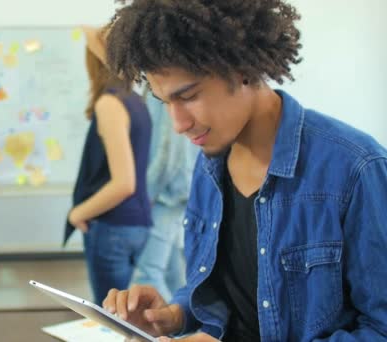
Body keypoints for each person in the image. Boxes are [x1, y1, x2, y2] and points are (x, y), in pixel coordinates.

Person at [101, 1, 387, 341]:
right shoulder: (209, 165)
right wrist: (177, 315)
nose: (178, 124)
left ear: (242, 68)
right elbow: (234, 298)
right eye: (166, 103)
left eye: (189, 96)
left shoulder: (356, 168)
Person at [64, 27, 153, 305]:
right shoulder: (136, 101)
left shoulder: (110, 103)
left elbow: (124, 182)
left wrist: (77, 213)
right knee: (128, 316)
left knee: (112, 320)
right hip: (137, 224)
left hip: (112, 227)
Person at [131, 89, 199, 301]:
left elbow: (167, 154)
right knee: (172, 273)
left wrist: (146, 195)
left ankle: (169, 331)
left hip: (165, 195)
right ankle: (187, 325)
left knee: (147, 274)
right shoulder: (163, 85)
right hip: (175, 190)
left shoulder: (160, 89)